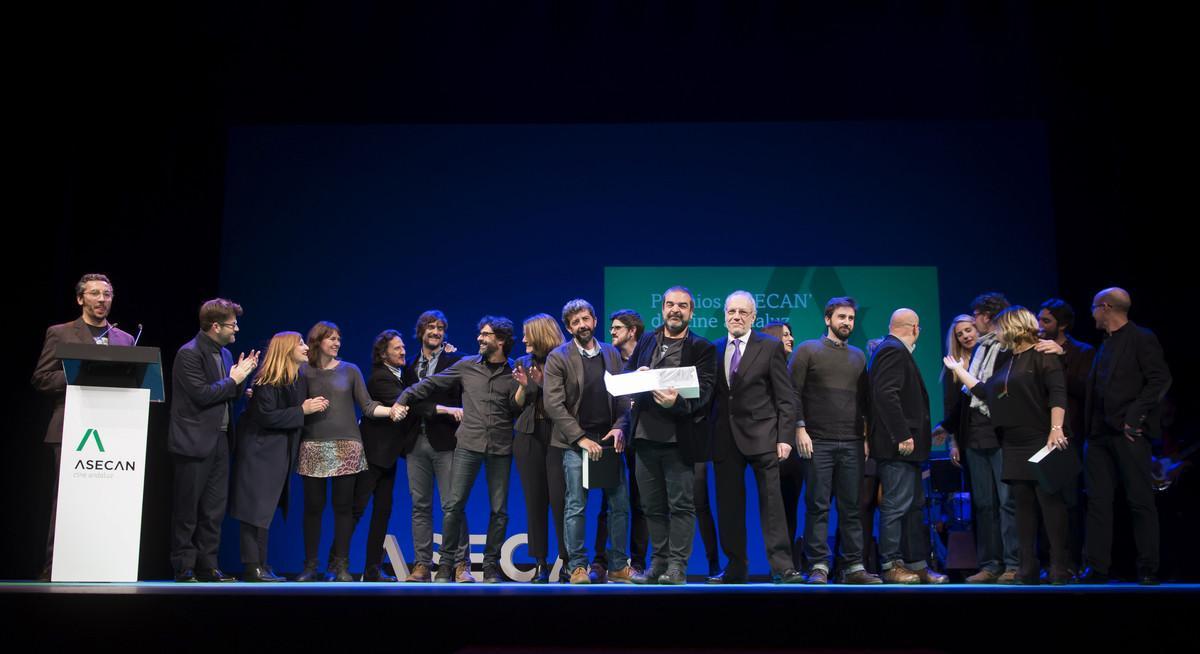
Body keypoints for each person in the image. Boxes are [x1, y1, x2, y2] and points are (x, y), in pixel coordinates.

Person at [944, 307, 1072, 584]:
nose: (996, 332)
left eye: (1000, 328)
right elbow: (985, 392)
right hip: (1012, 442)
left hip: (1041, 438)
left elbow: (1057, 393)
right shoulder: (1009, 362)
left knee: (1050, 505)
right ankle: (1027, 567)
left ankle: (1060, 566)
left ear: (1013, 327)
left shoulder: (1042, 355)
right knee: (1021, 507)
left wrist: (1056, 428)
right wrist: (958, 371)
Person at [394, 316, 522, 583]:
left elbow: (516, 407)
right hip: (468, 444)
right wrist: (405, 397)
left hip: (499, 446)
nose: (479, 338)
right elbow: (432, 383)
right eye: (480, 334)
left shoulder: (514, 370)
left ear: (500, 340)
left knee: (500, 510)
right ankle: (445, 565)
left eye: (485, 335)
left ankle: (489, 566)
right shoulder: (466, 365)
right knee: (453, 506)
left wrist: (524, 386)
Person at [31, 274, 135, 580]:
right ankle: (55, 567)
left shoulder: (125, 340)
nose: (102, 300)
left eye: (107, 294)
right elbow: (41, 378)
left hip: (113, 431)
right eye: (95, 294)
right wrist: (81, 371)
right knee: (66, 501)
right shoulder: (61, 333)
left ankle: (103, 563)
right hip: (71, 428)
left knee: (106, 501)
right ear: (80, 299)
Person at [617, 286, 717, 585]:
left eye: (682, 306)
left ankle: (677, 568)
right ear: (662, 309)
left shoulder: (702, 348)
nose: (675, 310)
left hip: (679, 440)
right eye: (670, 305)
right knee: (652, 507)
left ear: (691, 312)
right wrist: (639, 376)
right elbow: (628, 374)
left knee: (682, 507)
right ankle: (657, 566)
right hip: (644, 438)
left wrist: (678, 403)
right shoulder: (647, 339)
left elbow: (706, 394)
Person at [542, 299, 641, 584]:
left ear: (594, 321)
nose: (582, 325)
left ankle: (619, 565)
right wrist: (581, 438)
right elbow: (554, 404)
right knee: (576, 506)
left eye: (586, 319)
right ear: (569, 327)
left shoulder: (611, 352)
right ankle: (577, 567)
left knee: (619, 505)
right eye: (576, 322)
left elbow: (623, 396)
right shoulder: (558, 357)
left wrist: (621, 427)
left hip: (609, 440)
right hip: (576, 443)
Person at [708, 291, 803, 584]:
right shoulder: (714, 348)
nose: (736, 317)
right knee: (729, 507)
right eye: (731, 311)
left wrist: (785, 437)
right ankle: (736, 567)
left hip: (764, 437)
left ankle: (782, 567)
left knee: (772, 505)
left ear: (753, 317)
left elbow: (786, 397)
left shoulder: (770, 346)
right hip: (725, 439)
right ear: (724, 315)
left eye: (742, 312)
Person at [1080, 287, 1171, 585]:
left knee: (1139, 500)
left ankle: (1148, 567)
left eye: (1094, 307)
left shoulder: (1141, 338)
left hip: (1127, 433)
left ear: (1106, 307)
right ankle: (1097, 567)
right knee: (1098, 501)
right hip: (1097, 436)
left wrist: (1135, 417)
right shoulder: (1104, 344)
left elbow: (1159, 380)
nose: (1092, 313)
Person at [295, 321, 399, 582]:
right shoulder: (304, 372)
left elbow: (367, 405)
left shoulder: (350, 370)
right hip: (313, 445)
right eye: (331, 338)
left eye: (339, 339)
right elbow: (293, 405)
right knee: (313, 508)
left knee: (343, 508)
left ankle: (340, 566)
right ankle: (310, 566)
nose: (337, 343)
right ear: (318, 341)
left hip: (347, 446)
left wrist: (390, 411)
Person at [788, 297, 880, 584]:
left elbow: (864, 402)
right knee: (818, 505)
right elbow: (792, 394)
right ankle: (818, 565)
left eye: (851, 318)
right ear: (828, 319)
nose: (847, 323)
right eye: (841, 317)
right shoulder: (807, 350)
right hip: (818, 441)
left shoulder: (858, 357)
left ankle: (853, 566)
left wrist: (864, 437)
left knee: (852, 506)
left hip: (852, 441)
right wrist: (800, 428)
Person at [168, 298, 258, 582]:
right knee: (187, 510)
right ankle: (184, 567)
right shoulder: (189, 354)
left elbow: (226, 394)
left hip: (220, 439)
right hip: (193, 442)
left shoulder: (227, 356)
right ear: (215, 325)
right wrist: (234, 381)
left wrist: (241, 382)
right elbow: (202, 395)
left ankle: (209, 566)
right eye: (232, 325)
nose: (237, 330)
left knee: (214, 510)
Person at [230, 332, 328, 582]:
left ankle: (262, 563)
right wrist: (302, 410)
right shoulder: (267, 381)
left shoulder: (294, 379)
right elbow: (266, 416)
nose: (306, 347)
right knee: (254, 510)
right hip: (260, 452)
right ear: (286, 349)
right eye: (301, 344)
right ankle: (252, 565)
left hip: (275, 453)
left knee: (264, 511)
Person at [942, 293, 1020, 583]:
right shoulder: (978, 351)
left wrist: (961, 373)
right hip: (975, 436)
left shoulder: (1006, 349)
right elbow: (964, 398)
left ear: (987, 317)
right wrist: (948, 428)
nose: (972, 322)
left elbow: (988, 391)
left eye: (975, 316)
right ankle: (990, 564)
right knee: (984, 505)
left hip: (999, 435)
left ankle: (1013, 563)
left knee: (1007, 502)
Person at [868, 309, 947, 584]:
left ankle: (917, 565)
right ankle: (891, 565)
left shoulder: (893, 350)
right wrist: (901, 433)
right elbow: (885, 394)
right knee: (896, 505)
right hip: (898, 445)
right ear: (915, 328)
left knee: (913, 506)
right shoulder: (892, 350)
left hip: (909, 447)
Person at [400, 310, 468, 582]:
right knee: (420, 506)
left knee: (453, 505)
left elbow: (463, 399)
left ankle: (460, 564)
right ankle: (422, 564)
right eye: (431, 327)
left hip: (446, 442)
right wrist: (439, 409)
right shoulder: (410, 366)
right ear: (421, 332)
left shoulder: (455, 361)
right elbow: (408, 402)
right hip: (416, 442)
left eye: (440, 328)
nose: (436, 332)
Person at [592, 309, 650, 579]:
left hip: (642, 438)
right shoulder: (608, 358)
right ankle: (600, 562)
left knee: (641, 502)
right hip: (613, 436)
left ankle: (636, 563)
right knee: (609, 501)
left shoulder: (649, 356)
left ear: (632, 331)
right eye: (611, 327)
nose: (612, 332)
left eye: (617, 328)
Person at [511, 314, 569, 583]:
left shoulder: (565, 359)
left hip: (558, 436)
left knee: (561, 501)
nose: (523, 340)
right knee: (535, 502)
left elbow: (566, 400)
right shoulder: (523, 363)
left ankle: (568, 561)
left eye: (527, 334)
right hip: (528, 436)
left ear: (540, 334)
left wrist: (544, 384)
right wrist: (524, 387)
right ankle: (540, 564)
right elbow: (517, 404)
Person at [354, 330, 412, 582]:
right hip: (371, 455)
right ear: (383, 353)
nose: (403, 351)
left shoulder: (402, 374)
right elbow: (408, 402)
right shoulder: (379, 378)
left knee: (382, 512)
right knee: (356, 510)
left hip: (388, 456)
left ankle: (372, 568)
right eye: (397, 348)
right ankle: (337, 563)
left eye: (403, 347)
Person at [764, 320, 803, 562]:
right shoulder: (766, 371)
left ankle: (790, 562)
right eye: (785, 335)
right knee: (775, 509)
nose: (790, 339)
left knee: (791, 506)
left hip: (794, 450)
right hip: (771, 446)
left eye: (791, 334)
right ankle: (780, 562)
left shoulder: (792, 368)